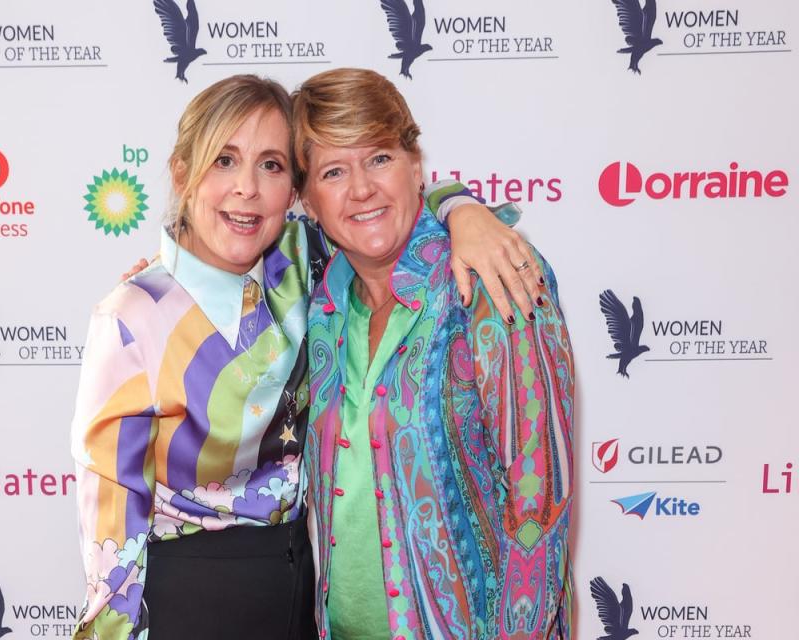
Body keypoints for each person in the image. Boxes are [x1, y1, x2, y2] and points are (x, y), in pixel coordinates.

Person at [70, 74, 543, 640]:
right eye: (224, 160)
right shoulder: (132, 317)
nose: (247, 188)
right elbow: (110, 528)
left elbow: (386, 204)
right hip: (191, 600)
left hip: (302, 595)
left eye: (270, 165)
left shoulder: (303, 259)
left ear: (294, 192)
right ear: (181, 172)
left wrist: (464, 210)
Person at [295, 68, 574, 639]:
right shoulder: (321, 305)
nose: (362, 189)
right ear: (307, 198)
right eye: (332, 172)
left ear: (415, 164)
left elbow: (538, 511)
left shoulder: (492, 279)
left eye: (379, 158)